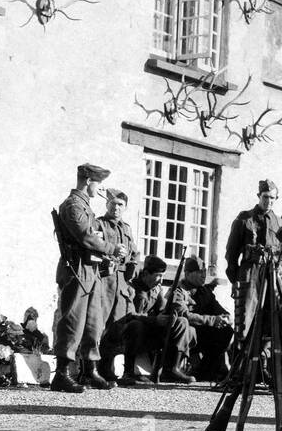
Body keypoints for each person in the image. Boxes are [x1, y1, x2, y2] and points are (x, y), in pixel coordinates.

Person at [51, 163, 127, 393]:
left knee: (94, 322)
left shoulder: (85, 206)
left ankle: (89, 370)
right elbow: (86, 238)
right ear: (87, 180)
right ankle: (62, 374)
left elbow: (94, 236)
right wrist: (112, 248)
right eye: (98, 183)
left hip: (91, 269)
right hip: (76, 269)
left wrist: (105, 249)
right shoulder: (73, 206)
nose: (100, 189)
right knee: (73, 320)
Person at [225, 181, 282, 351]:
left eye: (273, 198)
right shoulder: (245, 219)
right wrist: (236, 279)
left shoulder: (280, 224)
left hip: (271, 274)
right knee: (245, 318)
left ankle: (262, 364)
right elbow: (231, 253)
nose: (269, 201)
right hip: (249, 273)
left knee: (270, 316)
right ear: (259, 196)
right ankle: (239, 366)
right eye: (266, 197)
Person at [120, 255, 193, 386]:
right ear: (146, 273)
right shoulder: (131, 287)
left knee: (182, 322)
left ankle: (172, 369)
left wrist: (171, 315)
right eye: (158, 275)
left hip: (149, 332)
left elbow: (162, 309)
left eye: (162, 276)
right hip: (130, 332)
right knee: (135, 325)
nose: (161, 280)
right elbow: (129, 314)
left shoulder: (156, 289)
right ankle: (128, 372)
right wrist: (155, 320)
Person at [95, 189, 142, 384]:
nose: (116, 207)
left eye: (120, 204)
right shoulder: (99, 224)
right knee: (99, 325)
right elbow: (93, 248)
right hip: (104, 280)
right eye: (113, 203)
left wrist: (132, 268)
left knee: (117, 327)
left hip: (122, 283)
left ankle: (107, 369)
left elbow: (135, 254)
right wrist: (108, 259)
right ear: (107, 204)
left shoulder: (127, 229)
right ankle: (91, 370)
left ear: (125, 207)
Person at [171, 257, 233, 382]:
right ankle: (174, 369)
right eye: (199, 271)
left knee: (226, 331)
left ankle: (205, 370)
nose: (204, 275)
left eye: (205, 271)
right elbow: (184, 315)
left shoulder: (204, 291)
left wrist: (225, 317)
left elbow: (217, 308)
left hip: (201, 332)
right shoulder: (178, 291)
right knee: (188, 327)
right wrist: (213, 320)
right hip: (182, 332)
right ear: (187, 274)